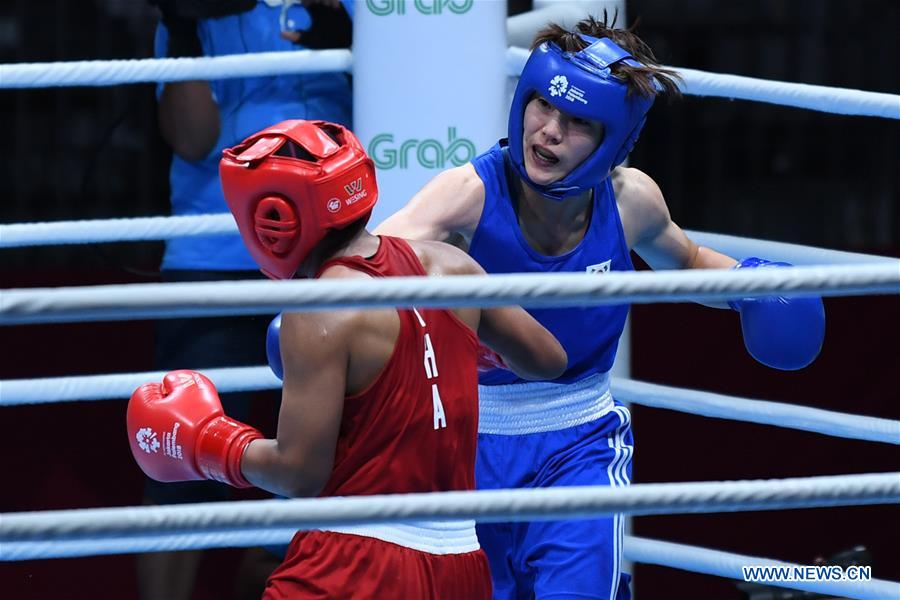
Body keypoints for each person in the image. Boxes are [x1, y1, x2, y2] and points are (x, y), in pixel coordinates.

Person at [375, 15, 826, 599]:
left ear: (615, 139)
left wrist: (752, 286)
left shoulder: (629, 199)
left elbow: (684, 260)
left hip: (578, 441)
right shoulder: (468, 195)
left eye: (577, 121)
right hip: (462, 441)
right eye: (541, 106)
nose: (548, 132)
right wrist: (317, 328)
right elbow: (372, 264)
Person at [126, 119, 568, 598]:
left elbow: (299, 471)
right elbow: (549, 360)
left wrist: (208, 445)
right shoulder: (451, 265)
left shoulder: (320, 310)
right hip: (461, 564)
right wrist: (468, 349)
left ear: (274, 217)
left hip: (355, 561)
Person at [141, 1, 353, 597]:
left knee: (330, 464)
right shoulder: (193, 11)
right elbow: (190, 138)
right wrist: (183, 25)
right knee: (178, 456)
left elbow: (405, 111)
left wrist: (352, 47)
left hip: (328, 258)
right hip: (215, 257)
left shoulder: (360, 8)